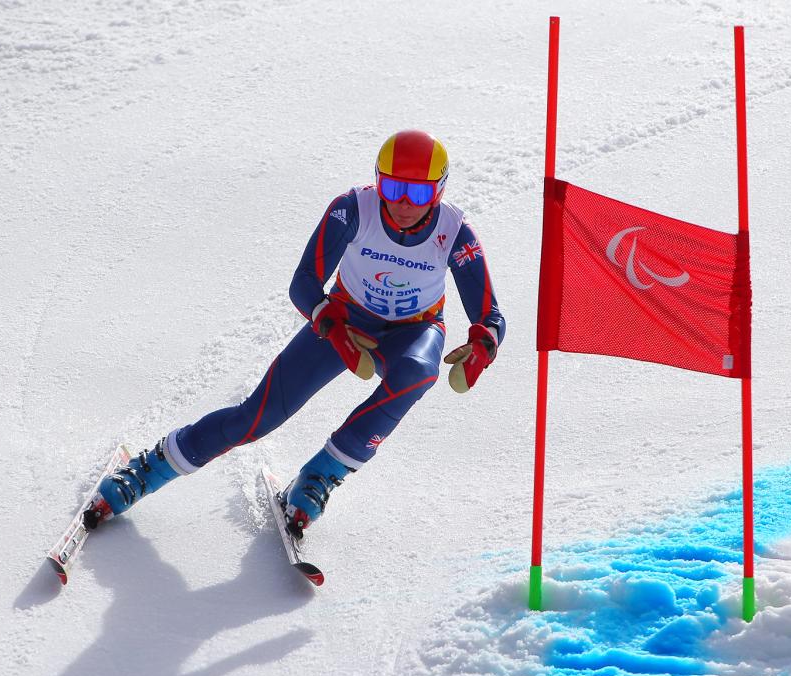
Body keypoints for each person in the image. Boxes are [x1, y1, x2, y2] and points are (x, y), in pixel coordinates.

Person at [84, 130, 506, 539]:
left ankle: (323, 473)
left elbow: (491, 315)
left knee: (417, 371)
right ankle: (149, 469)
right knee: (254, 420)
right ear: (378, 181)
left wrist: (483, 346)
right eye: (393, 188)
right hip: (345, 320)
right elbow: (304, 283)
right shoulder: (353, 208)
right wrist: (334, 329)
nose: (403, 205)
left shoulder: (455, 232)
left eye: (419, 194)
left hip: (412, 331)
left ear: (439, 191)